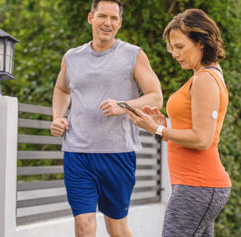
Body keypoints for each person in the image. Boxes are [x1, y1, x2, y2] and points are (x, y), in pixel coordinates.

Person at [50, 0, 163, 236]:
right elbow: (62, 89)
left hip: (118, 154)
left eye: (113, 18)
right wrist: (57, 117)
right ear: (91, 18)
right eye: (102, 16)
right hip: (77, 154)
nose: (107, 23)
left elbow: (155, 97)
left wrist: (124, 106)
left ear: (120, 23)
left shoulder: (134, 55)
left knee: (117, 230)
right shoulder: (71, 57)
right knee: (84, 225)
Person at [124, 9, 231, 237]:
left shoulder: (204, 79)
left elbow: (202, 140)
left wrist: (158, 129)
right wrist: (164, 127)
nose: (174, 53)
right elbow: (194, 129)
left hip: (199, 184)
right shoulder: (206, 75)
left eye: (180, 47)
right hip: (196, 184)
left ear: (201, 42)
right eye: (172, 47)